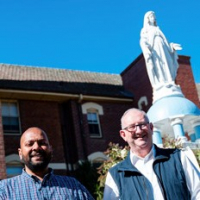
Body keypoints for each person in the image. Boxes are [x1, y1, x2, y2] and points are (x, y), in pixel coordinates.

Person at [103, 108, 200, 200]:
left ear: (151, 127)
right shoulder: (116, 175)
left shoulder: (180, 158)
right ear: (123, 135)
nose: (139, 130)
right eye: (132, 127)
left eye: (142, 124)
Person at [0, 127, 94, 200]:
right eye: (30, 144)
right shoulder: (4, 190)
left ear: (50, 149)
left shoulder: (74, 186)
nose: (36, 147)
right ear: (20, 153)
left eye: (42, 143)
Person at [140, 11, 182, 89]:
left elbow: (166, 42)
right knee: (159, 64)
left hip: (164, 50)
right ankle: (162, 81)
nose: (154, 18)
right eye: (152, 16)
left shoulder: (157, 29)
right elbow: (143, 41)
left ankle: (170, 80)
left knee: (167, 62)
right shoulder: (145, 30)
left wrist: (172, 46)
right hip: (155, 50)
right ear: (148, 19)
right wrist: (146, 47)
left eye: (154, 16)